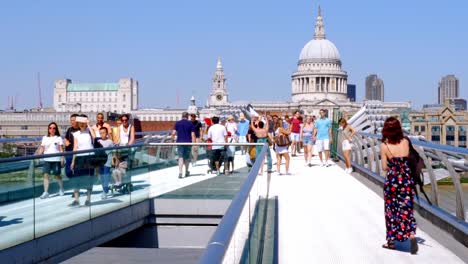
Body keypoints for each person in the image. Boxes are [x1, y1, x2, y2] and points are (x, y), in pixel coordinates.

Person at [380, 117, 418, 254]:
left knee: (391, 210)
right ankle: (411, 235)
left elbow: (384, 167)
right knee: (406, 208)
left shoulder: (384, 146)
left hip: (393, 181)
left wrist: (391, 164)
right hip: (407, 179)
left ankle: (391, 241)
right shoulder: (406, 142)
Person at [70, 115, 96, 206]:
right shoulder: (76, 134)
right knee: (77, 178)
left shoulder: (89, 131)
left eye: (83, 123)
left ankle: (88, 199)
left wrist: (88, 124)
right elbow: (75, 148)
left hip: (89, 157)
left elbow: (94, 136)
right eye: (80, 123)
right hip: (80, 157)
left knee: (89, 178)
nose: (81, 125)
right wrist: (73, 161)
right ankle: (76, 200)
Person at [37, 122, 65, 198]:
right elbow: (42, 148)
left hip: (56, 159)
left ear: (56, 129)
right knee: (46, 174)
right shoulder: (44, 138)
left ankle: (61, 189)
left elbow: (61, 149)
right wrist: (38, 157)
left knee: (57, 175)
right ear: (48, 129)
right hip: (47, 159)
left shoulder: (58, 138)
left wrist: (62, 159)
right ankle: (46, 192)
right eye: (50, 128)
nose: (52, 129)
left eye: (54, 128)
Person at [171, 112, 196, 178]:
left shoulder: (177, 123)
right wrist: (194, 144)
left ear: (182, 116)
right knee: (187, 158)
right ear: (187, 116)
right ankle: (186, 171)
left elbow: (173, 133)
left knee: (180, 157)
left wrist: (172, 140)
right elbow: (193, 134)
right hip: (188, 142)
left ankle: (180, 172)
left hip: (180, 142)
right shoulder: (190, 124)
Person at [97, 127, 114, 199]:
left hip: (108, 161)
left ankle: (105, 192)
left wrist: (113, 159)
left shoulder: (110, 141)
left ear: (106, 133)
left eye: (103, 133)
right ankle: (105, 189)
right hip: (100, 161)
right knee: (102, 177)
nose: (102, 134)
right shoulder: (98, 141)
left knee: (106, 175)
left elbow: (113, 151)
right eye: (100, 133)